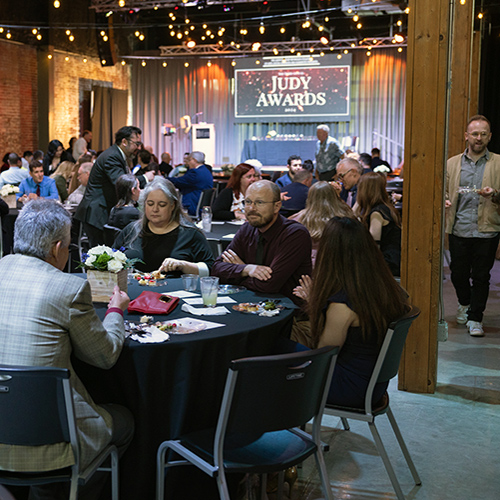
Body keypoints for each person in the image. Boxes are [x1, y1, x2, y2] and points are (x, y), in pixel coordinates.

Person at [0, 199, 133, 500]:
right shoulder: (67, 288)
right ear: (58, 248)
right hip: (46, 440)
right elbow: (105, 356)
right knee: (124, 422)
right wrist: (115, 312)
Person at [293, 217, 409, 408]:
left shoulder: (342, 306)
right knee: (282, 347)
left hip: (350, 388)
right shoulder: (384, 287)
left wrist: (314, 307)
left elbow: (322, 354)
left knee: (274, 350)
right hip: (374, 383)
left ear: (329, 253)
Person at [212, 180, 312, 305]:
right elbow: (216, 270)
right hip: (248, 306)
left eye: (259, 202)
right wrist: (247, 269)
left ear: (277, 206)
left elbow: (269, 286)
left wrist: (237, 273)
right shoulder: (247, 228)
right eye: (248, 202)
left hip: (287, 313)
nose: (251, 208)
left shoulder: (295, 234)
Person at [445, 114, 500, 337]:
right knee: (458, 274)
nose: (478, 138)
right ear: (466, 136)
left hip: (487, 229)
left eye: (483, 134)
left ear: (489, 137)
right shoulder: (452, 163)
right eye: (475, 133)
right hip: (459, 228)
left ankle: (475, 318)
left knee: (481, 276)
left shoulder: (498, 162)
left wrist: (495, 194)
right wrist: (445, 200)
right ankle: (465, 304)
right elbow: (444, 191)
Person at [114, 177, 214, 275]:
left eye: (162, 205)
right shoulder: (132, 230)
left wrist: (184, 265)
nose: (155, 209)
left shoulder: (191, 234)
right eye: (150, 204)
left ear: (173, 205)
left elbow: (210, 269)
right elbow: (111, 260)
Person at [75, 125, 153, 247]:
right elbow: (121, 182)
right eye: (136, 143)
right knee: (101, 255)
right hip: (97, 211)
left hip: (100, 210)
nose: (138, 147)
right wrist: (145, 178)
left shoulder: (116, 155)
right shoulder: (112, 156)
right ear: (124, 142)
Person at [290, 181, 353, 266]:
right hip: (338, 265)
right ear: (333, 197)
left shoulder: (297, 219)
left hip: (307, 267)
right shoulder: (344, 217)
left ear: (310, 197)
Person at [355, 171, 402, 277]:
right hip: (395, 259)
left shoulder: (377, 214)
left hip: (388, 264)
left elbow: (373, 247)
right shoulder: (386, 208)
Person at [169, 151, 213, 216]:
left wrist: (163, 179)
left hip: (192, 205)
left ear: (194, 160)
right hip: (201, 206)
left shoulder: (195, 173)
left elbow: (179, 181)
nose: (188, 163)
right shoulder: (206, 171)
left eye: (189, 160)